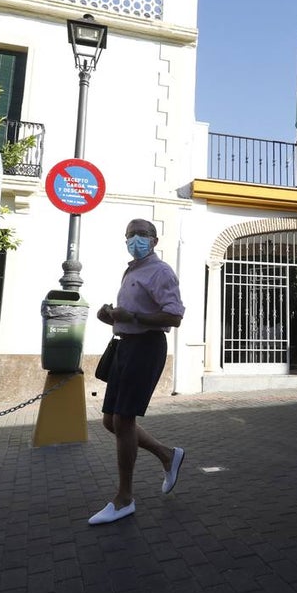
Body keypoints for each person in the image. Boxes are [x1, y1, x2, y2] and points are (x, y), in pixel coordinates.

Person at [89, 218, 186, 525]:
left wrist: (133, 316)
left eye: (142, 234)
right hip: (125, 346)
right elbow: (131, 315)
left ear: (155, 240)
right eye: (130, 234)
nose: (135, 239)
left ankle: (124, 499)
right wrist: (110, 316)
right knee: (110, 421)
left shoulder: (161, 271)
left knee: (123, 418)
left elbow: (174, 316)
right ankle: (168, 455)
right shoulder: (132, 270)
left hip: (146, 347)